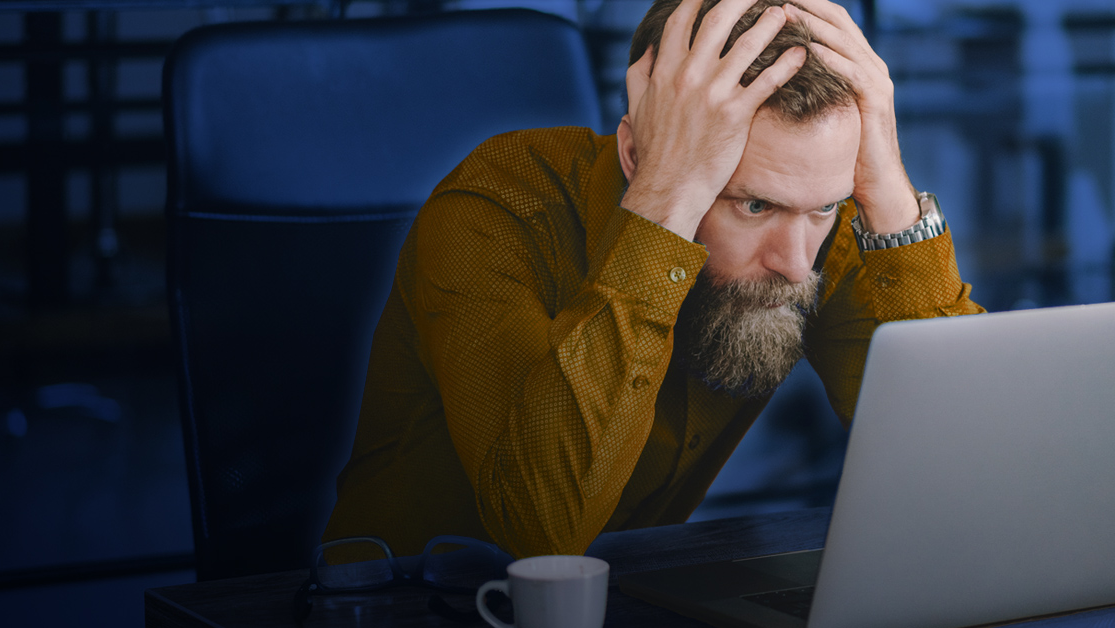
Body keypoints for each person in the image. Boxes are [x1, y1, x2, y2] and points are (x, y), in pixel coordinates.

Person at [323, 0, 984, 560]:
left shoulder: (806, 235)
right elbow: (542, 533)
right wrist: (667, 200)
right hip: (414, 605)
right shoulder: (497, 207)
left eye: (824, 206)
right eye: (752, 205)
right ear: (638, 152)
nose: (793, 261)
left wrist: (888, 195)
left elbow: (969, 469)